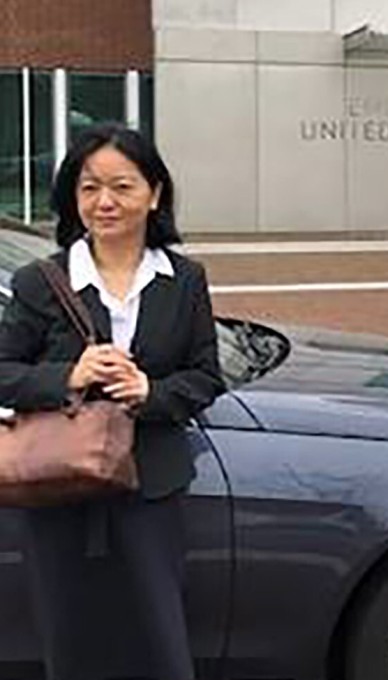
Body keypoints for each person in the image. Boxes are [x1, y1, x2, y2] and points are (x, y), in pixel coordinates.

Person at [0, 123, 225, 679]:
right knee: (70, 639)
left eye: (121, 187)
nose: (104, 202)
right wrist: (67, 376)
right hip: (57, 485)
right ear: (72, 198)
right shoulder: (39, 282)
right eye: (89, 187)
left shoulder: (185, 279)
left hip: (153, 484)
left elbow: (205, 376)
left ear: (154, 194)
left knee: (158, 637)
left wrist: (152, 392)